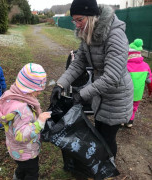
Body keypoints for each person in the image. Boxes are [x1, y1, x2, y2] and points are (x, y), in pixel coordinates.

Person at [50, 0, 133, 159]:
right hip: (100, 95)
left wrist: (81, 95)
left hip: (117, 98)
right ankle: (100, 166)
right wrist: (60, 85)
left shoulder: (115, 36)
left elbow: (111, 77)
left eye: (80, 20)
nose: (77, 25)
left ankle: (107, 170)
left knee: (107, 139)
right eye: (74, 20)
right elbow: (78, 63)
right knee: (99, 134)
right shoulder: (88, 33)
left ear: (92, 16)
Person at [0, 63, 51, 180]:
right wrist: (39, 123)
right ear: (27, 88)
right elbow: (20, 135)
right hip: (26, 152)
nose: (39, 93)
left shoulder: (10, 96)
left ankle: (18, 176)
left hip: (16, 150)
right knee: (32, 172)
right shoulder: (22, 110)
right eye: (37, 90)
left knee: (22, 168)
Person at [125, 39, 152, 128]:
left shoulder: (125, 65)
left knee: (124, 107)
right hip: (138, 94)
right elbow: (149, 80)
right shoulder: (146, 66)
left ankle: (122, 121)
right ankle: (130, 122)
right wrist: (150, 90)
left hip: (126, 93)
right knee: (134, 108)